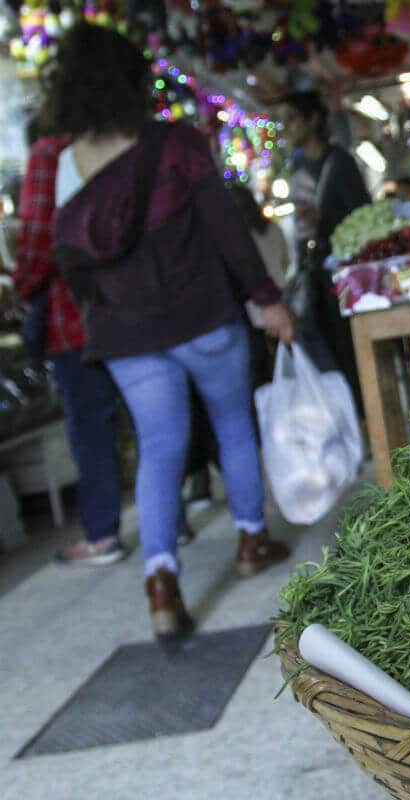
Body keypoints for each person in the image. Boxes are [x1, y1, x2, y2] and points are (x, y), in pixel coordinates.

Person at [48, 24, 296, 640]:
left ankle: (160, 581)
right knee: (234, 425)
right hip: (203, 316)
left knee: (159, 448)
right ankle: (250, 541)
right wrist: (265, 299)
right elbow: (227, 233)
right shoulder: (178, 145)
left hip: (127, 334)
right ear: (132, 81)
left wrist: (105, 313)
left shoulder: (65, 167)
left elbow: (70, 263)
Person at [14, 115, 127, 566]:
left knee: (90, 428)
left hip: (75, 318)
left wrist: (22, 286)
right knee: (145, 419)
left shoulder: (48, 154)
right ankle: (171, 525)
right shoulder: (112, 139)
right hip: (127, 309)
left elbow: (38, 241)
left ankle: (101, 536)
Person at [279, 90, 369, 409]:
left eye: (291, 119)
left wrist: (326, 218)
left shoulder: (341, 163)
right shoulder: (297, 168)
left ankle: (362, 416)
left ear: (313, 120)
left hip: (343, 278)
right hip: (314, 274)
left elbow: (363, 217)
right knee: (325, 352)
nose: (286, 127)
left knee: (350, 351)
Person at [229, 183, 290, 387]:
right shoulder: (272, 228)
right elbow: (285, 261)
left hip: (254, 311)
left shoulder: (237, 240)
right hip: (282, 302)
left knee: (262, 373)